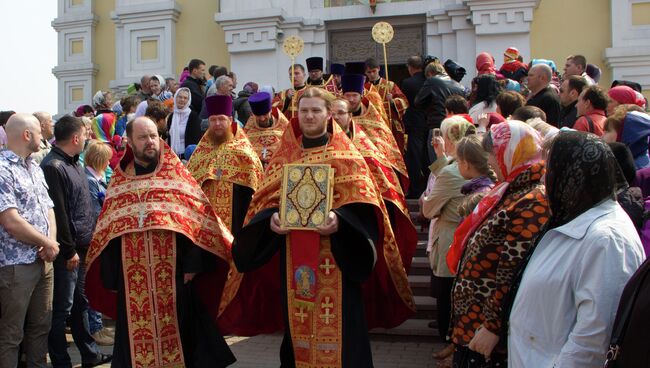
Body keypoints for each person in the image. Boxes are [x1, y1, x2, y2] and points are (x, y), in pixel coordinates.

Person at [229, 87, 414, 367]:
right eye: (304, 111)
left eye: (316, 110)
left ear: (329, 114)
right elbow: (263, 202)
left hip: (337, 261)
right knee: (297, 329)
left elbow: (366, 207)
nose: (309, 116)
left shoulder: (347, 157)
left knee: (343, 331)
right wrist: (271, 221)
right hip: (293, 259)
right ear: (296, 114)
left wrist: (341, 221)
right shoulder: (284, 157)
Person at [84, 116, 236, 368]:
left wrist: (192, 266)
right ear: (130, 141)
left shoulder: (177, 177)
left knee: (183, 339)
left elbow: (196, 221)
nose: (150, 142)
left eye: (154, 136)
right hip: (133, 282)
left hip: (175, 276)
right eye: (143, 137)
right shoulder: (120, 184)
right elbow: (108, 234)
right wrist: (113, 279)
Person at [508, 131, 644, 368]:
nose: (543, 181)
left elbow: (595, 338)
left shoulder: (607, 239)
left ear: (575, 177)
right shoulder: (575, 220)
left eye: (550, 172)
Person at [446, 121, 549, 366]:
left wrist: (493, 326)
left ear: (512, 152)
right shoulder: (510, 190)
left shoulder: (532, 199)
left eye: (493, 154)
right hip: (476, 324)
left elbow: (511, 270)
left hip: (489, 333)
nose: (490, 162)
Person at [41, 115, 112, 368]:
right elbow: (59, 213)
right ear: (75, 138)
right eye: (84, 135)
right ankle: (61, 361)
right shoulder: (53, 166)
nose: (86, 139)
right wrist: (69, 250)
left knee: (81, 303)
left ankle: (90, 354)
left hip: (82, 248)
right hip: (67, 254)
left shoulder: (74, 164)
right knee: (62, 309)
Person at [331, 97, 418, 273]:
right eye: (331, 114)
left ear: (350, 116)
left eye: (340, 113)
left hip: (364, 218)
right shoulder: (319, 147)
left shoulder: (366, 148)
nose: (335, 117)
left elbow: (384, 184)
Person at [0, 113, 59, 368]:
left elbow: (48, 209)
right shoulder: (3, 169)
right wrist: (47, 243)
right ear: (27, 135)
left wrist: (51, 243)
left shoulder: (34, 166)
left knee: (41, 326)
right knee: (12, 334)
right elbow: (11, 221)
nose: (44, 136)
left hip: (43, 261)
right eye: (39, 132)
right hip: (16, 266)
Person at [421, 116, 475, 363]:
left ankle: (451, 344)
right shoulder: (469, 161)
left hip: (452, 239)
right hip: (464, 236)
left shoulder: (455, 171)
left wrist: (425, 201)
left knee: (448, 294)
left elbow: (429, 209)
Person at [187, 95, 263, 235]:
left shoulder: (244, 151)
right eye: (213, 120)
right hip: (206, 224)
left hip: (237, 220)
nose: (217, 124)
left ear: (230, 120)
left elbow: (255, 190)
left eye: (221, 119)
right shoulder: (200, 153)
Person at [341, 73, 409, 191]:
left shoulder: (372, 118)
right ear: (342, 96)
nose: (351, 99)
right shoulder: (336, 118)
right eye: (347, 95)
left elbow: (383, 147)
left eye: (354, 95)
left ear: (361, 95)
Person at [82, 140, 115, 346]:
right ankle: (95, 328)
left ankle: (97, 326)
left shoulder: (97, 178)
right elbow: (95, 213)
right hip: (94, 239)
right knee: (89, 286)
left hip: (98, 238)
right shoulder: (90, 181)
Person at [364, 57, 409, 154]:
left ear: (379, 69)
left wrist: (392, 101)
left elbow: (404, 102)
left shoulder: (390, 85)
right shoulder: (364, 88)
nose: (371, 74)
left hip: (390, 124)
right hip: (372, 125)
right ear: (365, 73)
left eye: (374, 71)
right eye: (369, 72)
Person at [243, 92, 290, 169]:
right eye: (258, 115)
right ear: (253, 114)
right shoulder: (249, 129)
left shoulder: (283, 126)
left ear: (271, 110)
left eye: (265, 114)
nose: (262, 119)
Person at [167, 87, 203, 158]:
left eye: (185, 98)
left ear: (188, 100)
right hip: (174, 155)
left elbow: (196, 139)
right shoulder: (171, 116)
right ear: (175, 98)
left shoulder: (193, 116)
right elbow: (169, 137)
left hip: (188, 155)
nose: (182, 100)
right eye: (180, 97)